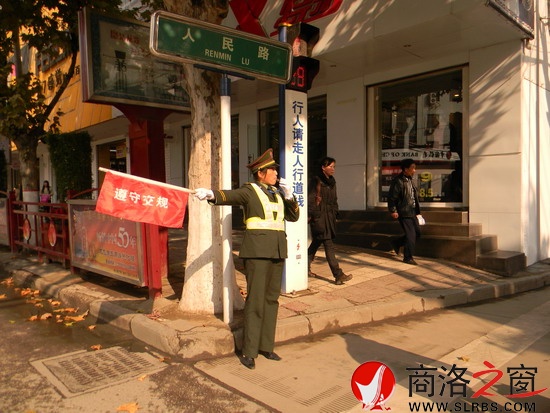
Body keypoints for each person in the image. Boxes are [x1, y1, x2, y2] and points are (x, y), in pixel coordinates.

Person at [194, 149, 299, 370]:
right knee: (256, 300)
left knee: (271, 300)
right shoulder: (250, 191)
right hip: (257, 252)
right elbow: (230, 196)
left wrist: (290, 196)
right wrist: (211, 194)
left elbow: (293, 216)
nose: (276, 173)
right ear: (261, 173)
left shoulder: (278, 193)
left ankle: (266, 346)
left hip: (277, 251)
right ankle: (249, 351)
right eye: (272, 170)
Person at [307, 157, 352, 285]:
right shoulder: (315, 181)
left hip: (329, 218)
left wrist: (335, 213)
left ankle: (304, 266)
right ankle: (338, 275)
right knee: (329, 245)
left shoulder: (332, 182)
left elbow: (334, 200)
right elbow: (311, 200)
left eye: (334, 167)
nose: (333, 169)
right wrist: (315, 215)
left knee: (316, 243)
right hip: (319, 219)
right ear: (323, 167)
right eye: (330, 166)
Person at [388, 158, 421, 265]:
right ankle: (408, 257)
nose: (414, 170)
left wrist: (418, 212)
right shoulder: (398, 181)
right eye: (412, 168)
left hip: (413, 212)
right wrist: (393, 210)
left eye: (415, 168)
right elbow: (392, 197)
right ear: (406, 169)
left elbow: (413, 197)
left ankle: (396, 242)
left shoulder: (411, 180)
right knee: (411, 235)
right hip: (404, 212)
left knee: (417, 233)